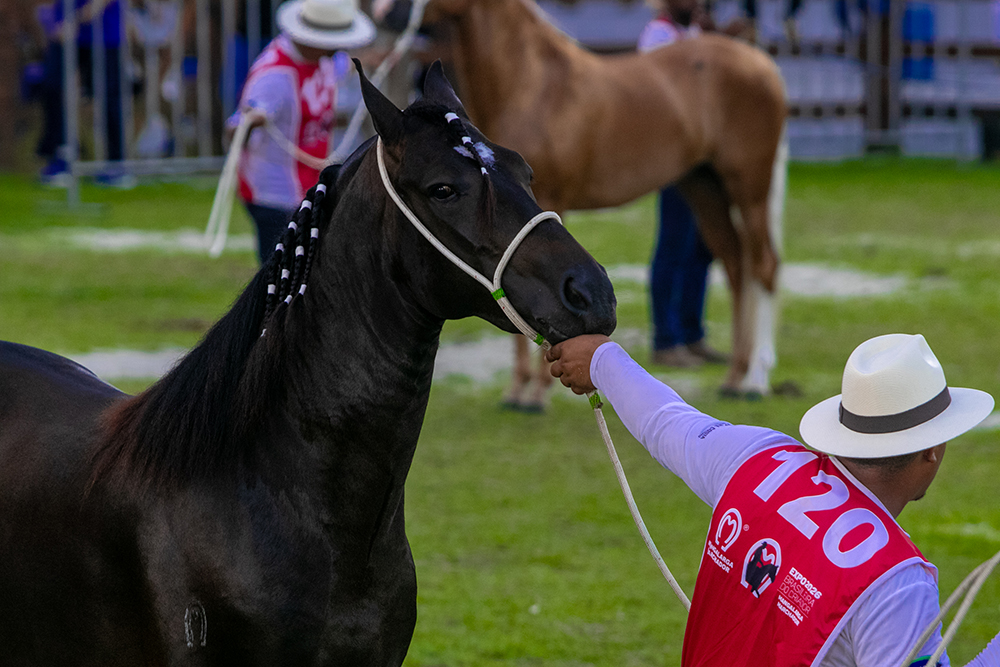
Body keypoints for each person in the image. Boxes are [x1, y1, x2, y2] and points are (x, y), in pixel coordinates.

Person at [547, 332, 999, 665]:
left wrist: (603, 359)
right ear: (932, 451)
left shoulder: (760, 458)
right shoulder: (897, 583)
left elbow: (667, 423)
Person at [229, 0, 375, 263]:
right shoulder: (275, 76)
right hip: (273, 195)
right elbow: (236, 129)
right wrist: (250, 121)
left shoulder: (323, 60)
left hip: (306, 186)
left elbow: (347, 65)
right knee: (283, 271)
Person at [638, 0, 730, 368]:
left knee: (700, 247)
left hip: (699, 156)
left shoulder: (691, 32)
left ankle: (692, 333)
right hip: (675, 156)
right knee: (673, 244)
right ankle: (665, 338)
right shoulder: (657, 36)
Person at [36, 0, 129, 187]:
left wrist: (74, 21)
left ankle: (116, 163)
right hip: (63, 31)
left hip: (104, 33)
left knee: (109, 98)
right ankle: (61, 156)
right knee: (53, 87)